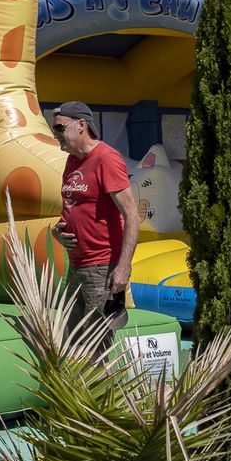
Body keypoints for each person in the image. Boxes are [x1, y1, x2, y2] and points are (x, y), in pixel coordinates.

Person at [50, 101, 141, 342]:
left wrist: (123, 267)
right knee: (72, 340)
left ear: (81, 125)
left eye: (59, 128)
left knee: (96, 343)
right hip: (77, 264)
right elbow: (73, 207)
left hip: (101, 267)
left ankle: (102, 381)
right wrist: (58, 232)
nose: (55, 135)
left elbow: (132, 216)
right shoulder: (73, 160)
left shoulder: (106, 158)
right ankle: (76, 381)